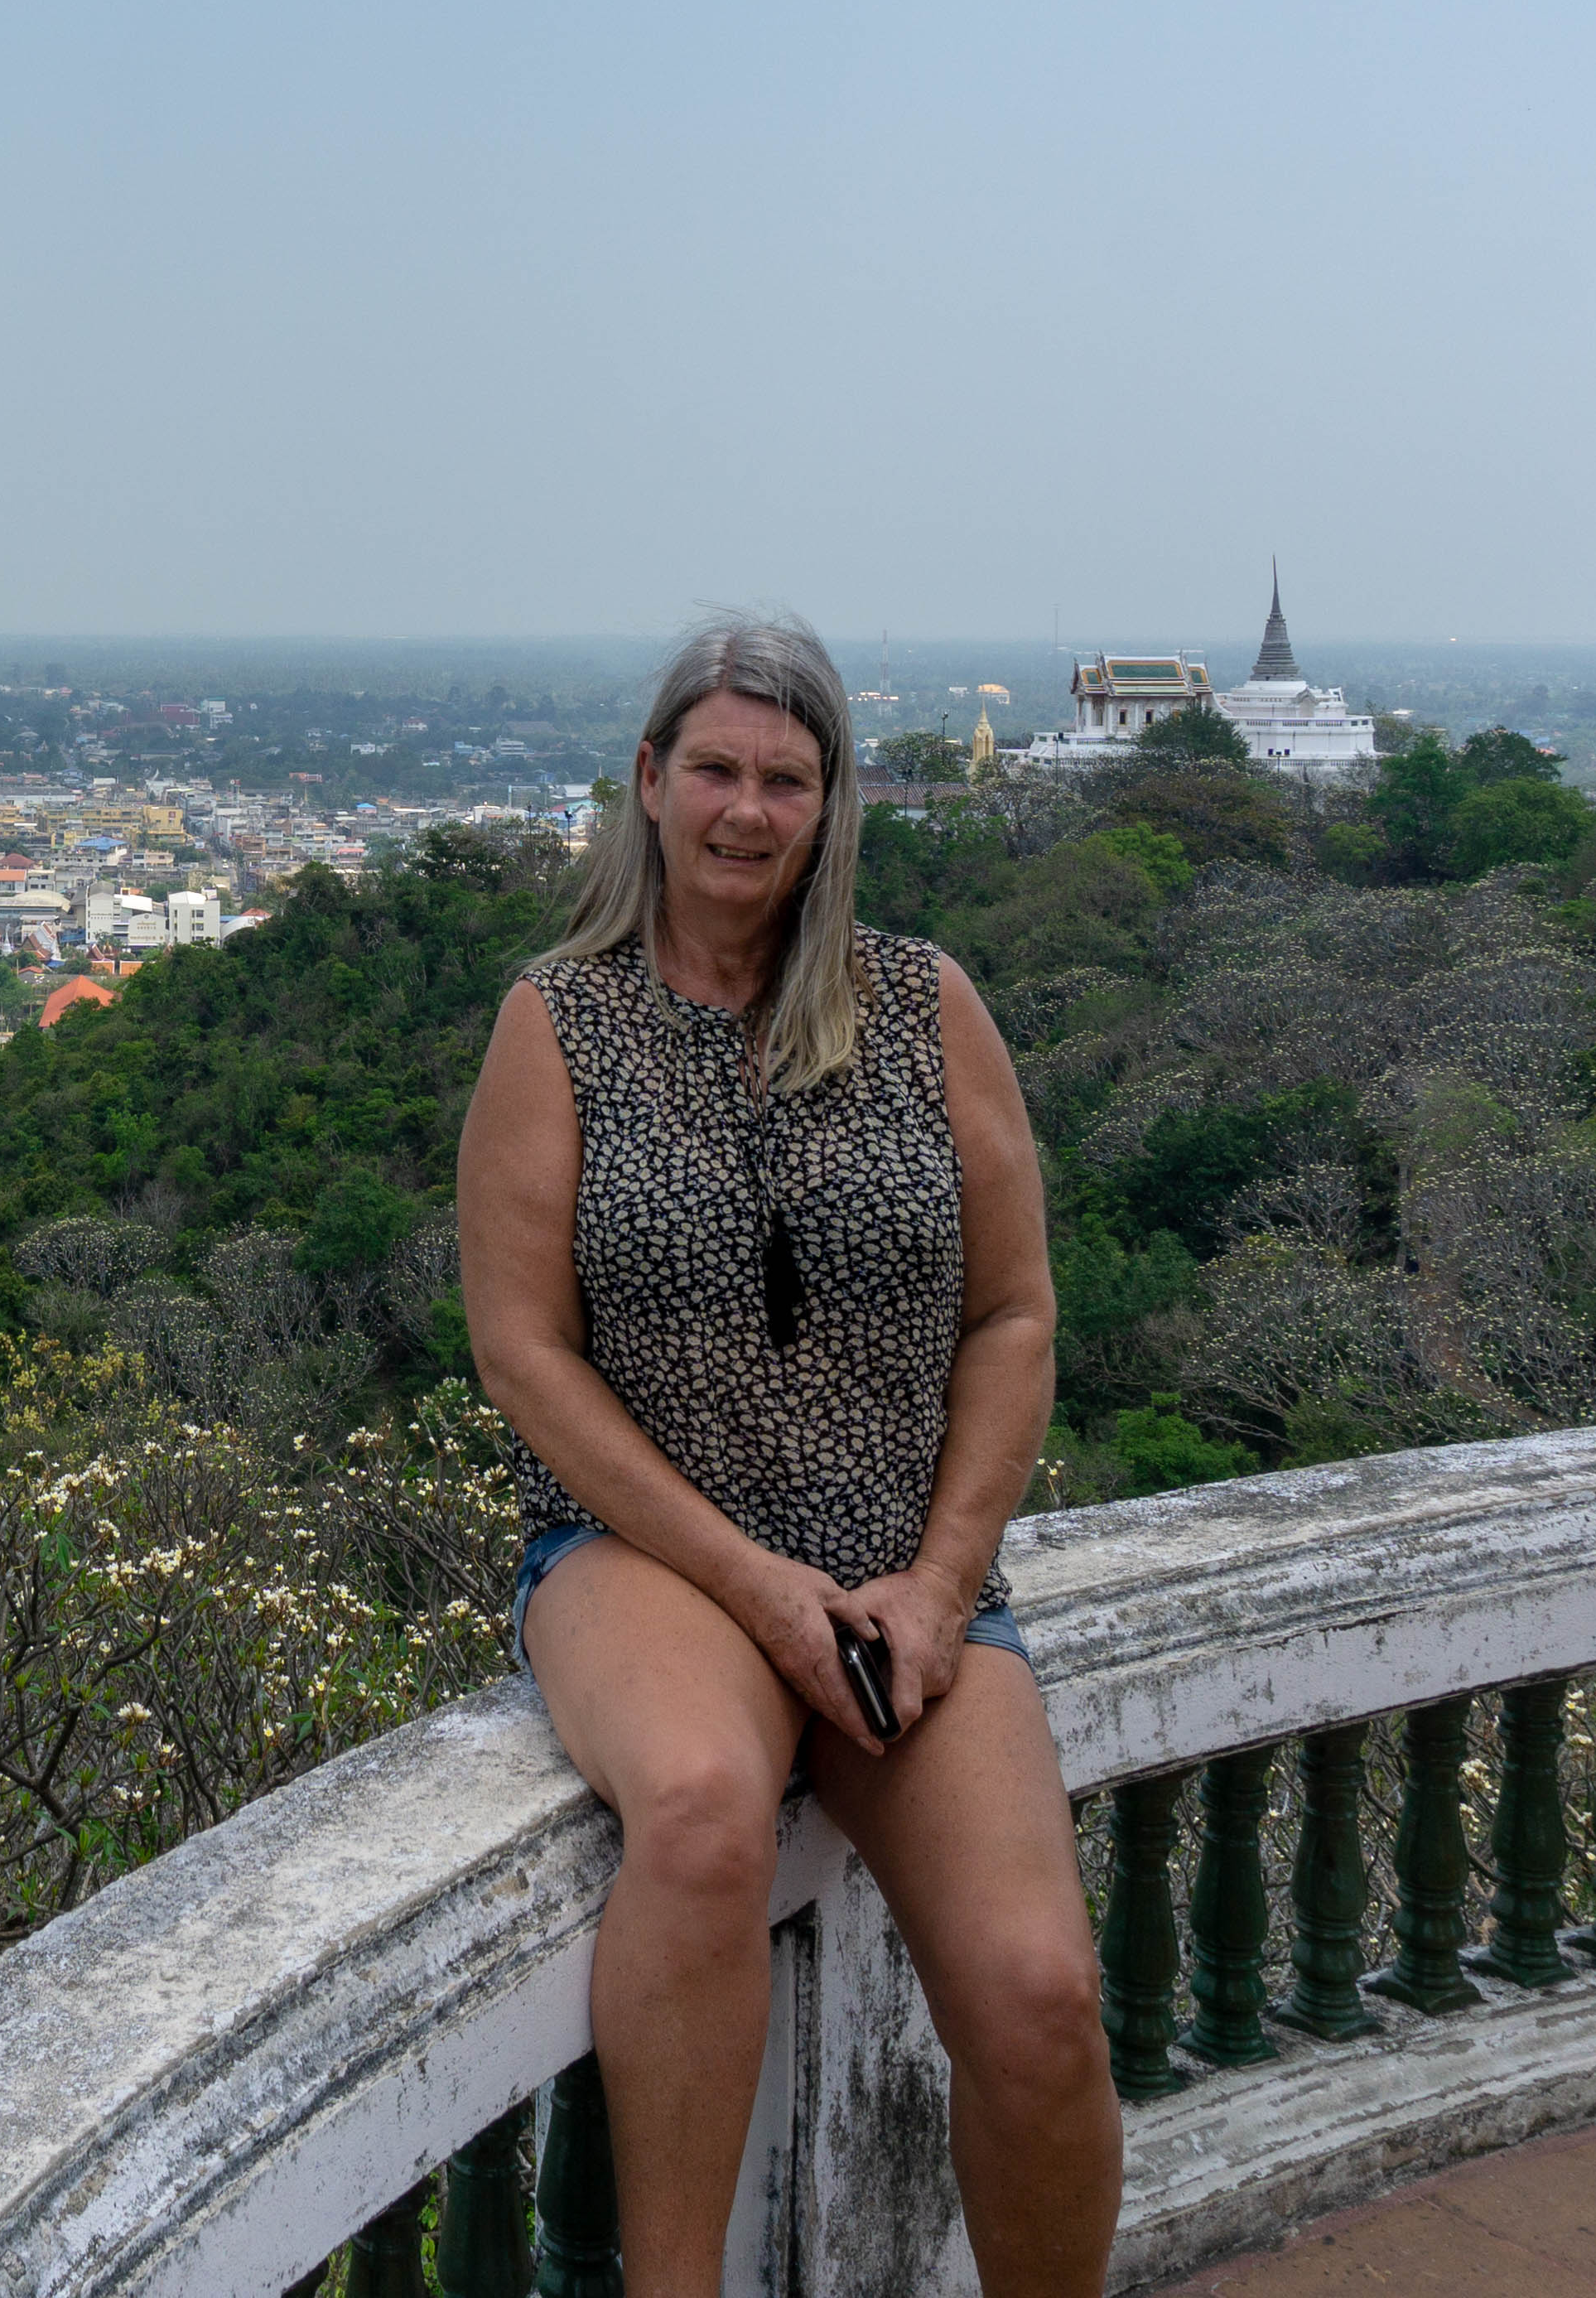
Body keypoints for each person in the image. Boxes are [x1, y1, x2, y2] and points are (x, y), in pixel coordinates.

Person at [456, 617, 1116, 2298]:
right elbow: (523, 1350)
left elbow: (1014, 1315)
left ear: (831, 802)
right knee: (698, 1808)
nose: (746, 810)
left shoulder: (922, 1004)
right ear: (649, 781)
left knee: (1041, 1996)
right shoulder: (559, 1019)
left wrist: (943, 1583)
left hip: (903, 1568)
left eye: (786, 778)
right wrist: (755, 1586)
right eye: (716, 770)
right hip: (645, 1552)